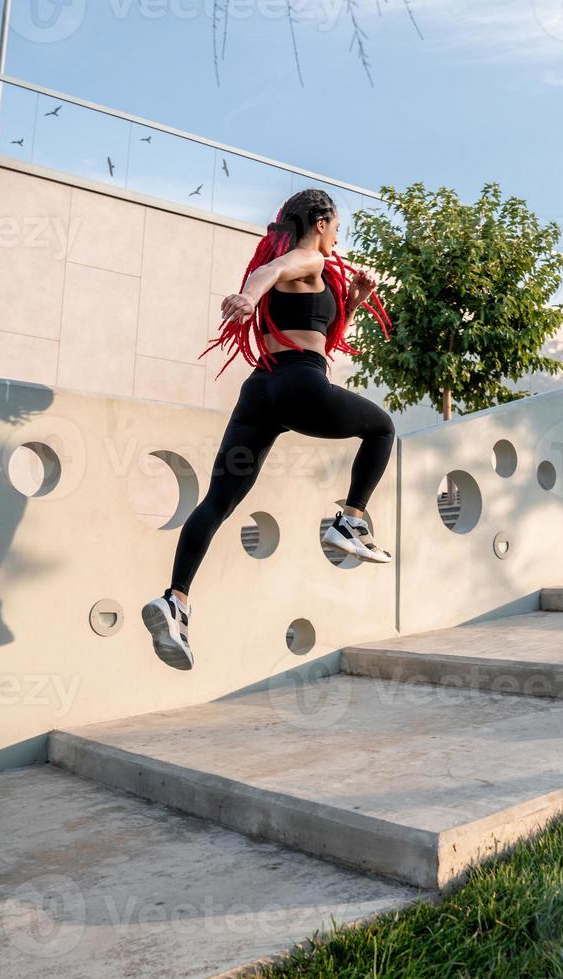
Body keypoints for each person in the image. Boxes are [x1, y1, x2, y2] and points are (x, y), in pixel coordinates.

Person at [141, 188, 396, 670]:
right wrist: (248, 294)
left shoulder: (306, 271)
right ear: (320, 222)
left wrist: (356, 301)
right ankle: (351, 520)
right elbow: (268, 274)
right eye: (337, 226)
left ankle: (176, 602)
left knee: (218, 502)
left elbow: (317, 326)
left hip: (261, 394)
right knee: (382, 429)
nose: (338, 236)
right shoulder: (304, 260)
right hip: (300, 385)